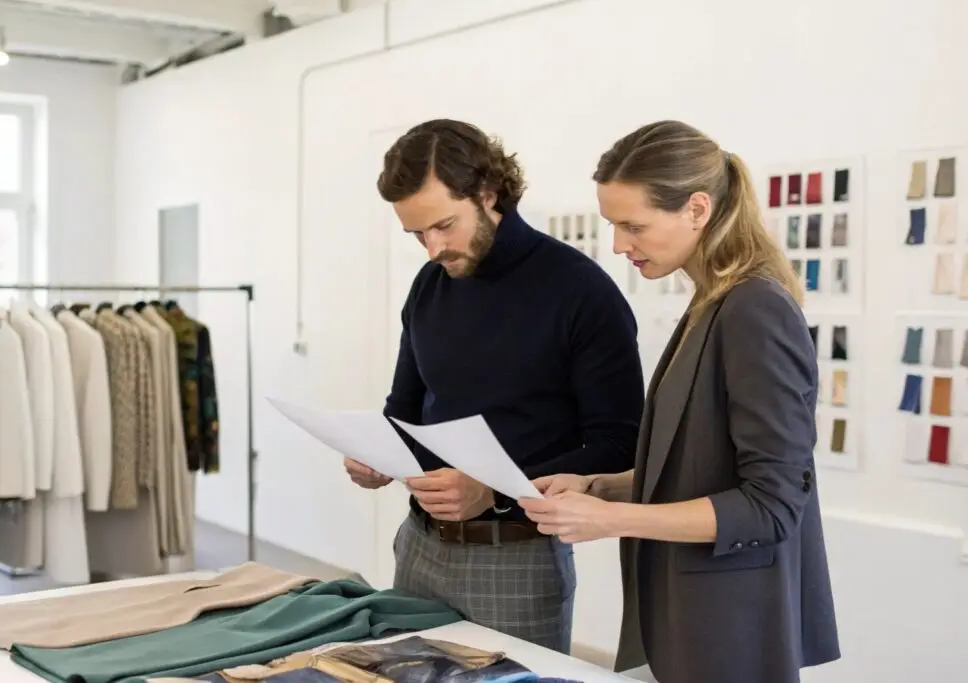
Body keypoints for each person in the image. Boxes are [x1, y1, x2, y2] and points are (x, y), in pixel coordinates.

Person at [519, 120, 841, 683]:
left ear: (696, 208)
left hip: (731, 623)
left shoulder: (753, 309)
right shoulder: (711, 303)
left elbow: (771, 505)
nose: (619, 245)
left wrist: (612, 518)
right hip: (685, 610)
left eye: (633, 225)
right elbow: (701, 465)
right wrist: (603, 485)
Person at [343, 118, 645, 654]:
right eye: (416, 234)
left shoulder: (581, 291)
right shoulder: (430, 285)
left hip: (517, 559)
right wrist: (379, 457)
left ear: (487, 193)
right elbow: (407, 411)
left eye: (443, 226)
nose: (432, 248)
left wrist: (494, 490)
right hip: (418, 547)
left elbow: (619, 445)